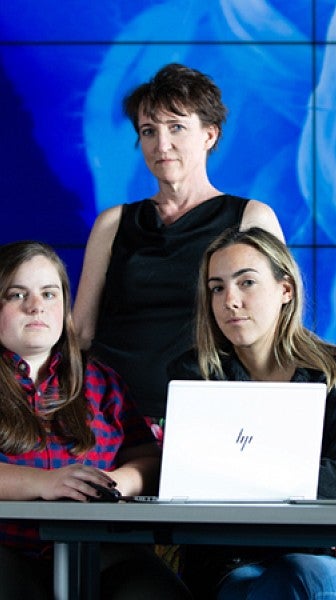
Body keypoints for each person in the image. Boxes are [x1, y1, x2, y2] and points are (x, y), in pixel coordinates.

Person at [169, 227, 336, 600]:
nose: (231, 301)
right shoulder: (194, 377)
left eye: (247, 283)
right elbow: (194, 478)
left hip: (326, 554)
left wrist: (238, 469)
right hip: (232, 562)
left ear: (285, 290)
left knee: (305, 574)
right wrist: (308, 487)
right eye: (217, 288)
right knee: (284, 581)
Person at [73, 62, 284, 423]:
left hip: (209, 413)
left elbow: (276, 332)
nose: (162, 144)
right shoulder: (113, 223)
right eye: (149, 131)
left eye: (176, 128)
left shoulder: (251, 218)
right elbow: (82, 332)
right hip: (108, 415)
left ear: (210, 135)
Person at [0, 241, 192, 600]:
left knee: (156, 592)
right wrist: (46, 483)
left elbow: (149, 459)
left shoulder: (101, 381)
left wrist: (116, 482)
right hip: (9, 546)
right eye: (16, 294)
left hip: (100, 547)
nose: (36, 305)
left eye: (49, 293)